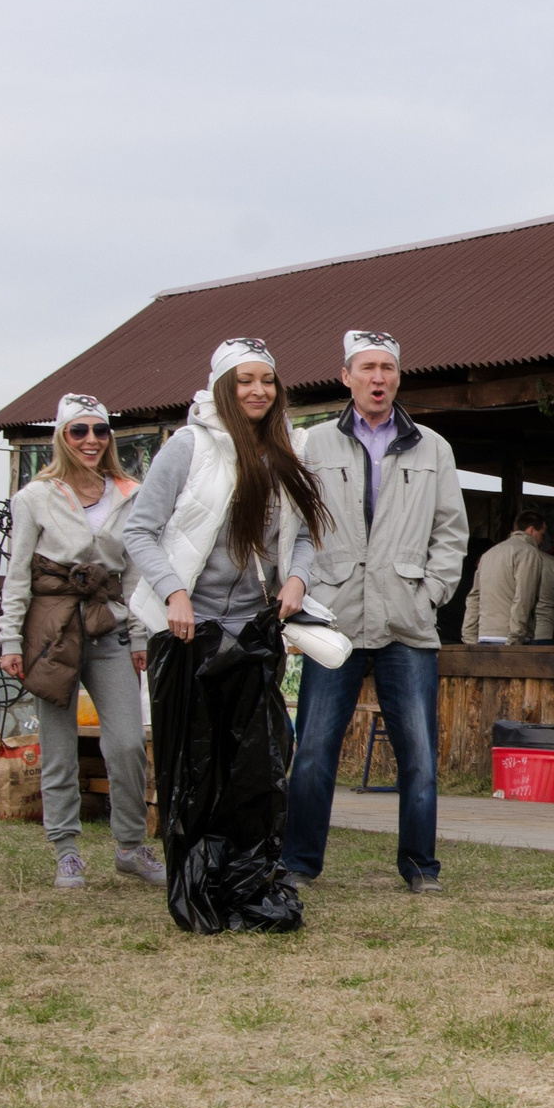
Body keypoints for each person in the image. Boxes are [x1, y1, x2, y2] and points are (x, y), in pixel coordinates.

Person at [122, 338, 323, 932]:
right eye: (244, 381)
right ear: (221, 388)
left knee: (258, 765)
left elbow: (308, 532)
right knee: (196, 768)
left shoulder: (290, 446)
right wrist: (172, 591)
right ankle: (198, 884)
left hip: (255, 629)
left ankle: (251, 879)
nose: (258, 391)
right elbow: (141, 531)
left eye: (267, 380)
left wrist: (296, 578)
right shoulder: (187, 447)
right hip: (190, 630)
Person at [279, 330, 466, 894]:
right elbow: (293, 524)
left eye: (387, 368)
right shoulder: (312, 445)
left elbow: (451, 532)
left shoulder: (433, 446)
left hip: (406, 622)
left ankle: (420, 867)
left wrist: (430, 592)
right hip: (333, 617)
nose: (378, 378)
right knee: (312, 751)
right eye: (367, 368)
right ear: (346, 375)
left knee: (419, 758)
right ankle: (299, 864)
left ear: (399, 376)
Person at [0, 393, 165, 891]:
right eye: (79, 431)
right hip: (52, 627)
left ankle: (131, 845)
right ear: (62, 438)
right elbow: (18, 573)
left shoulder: (130, 492)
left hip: (109, 622)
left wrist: (138, 635)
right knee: (57, 742)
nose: (91, 440)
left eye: (100, 431)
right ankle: (66, 849)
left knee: (128, 742)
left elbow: (136, 572)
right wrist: (9, 638)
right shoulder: (35, 496)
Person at [459, 509, 554, 644]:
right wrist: (516, 636)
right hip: (510, 638)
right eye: (542, 534)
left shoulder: (489, 554)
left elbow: (474, 597)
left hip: (485, 635)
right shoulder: (528, 552)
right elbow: (524, 597)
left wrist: (469, 636)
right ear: (531, 530)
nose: (542, 541)